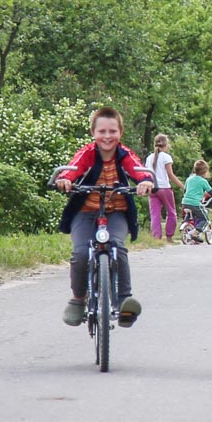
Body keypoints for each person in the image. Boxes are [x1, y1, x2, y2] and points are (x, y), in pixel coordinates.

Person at [54, 107, 155, 327]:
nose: (107, 136)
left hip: (116, 212)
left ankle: (124, 301)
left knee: (117, 247)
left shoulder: (124, 154)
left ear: (120, 132)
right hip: (86, 212)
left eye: (112, 131)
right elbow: (72, 168)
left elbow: (138, 169)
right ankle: (78, 299)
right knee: (81, 253)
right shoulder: (87, 153)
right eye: (102, 131)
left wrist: (146, 180)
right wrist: (65, 179)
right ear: (93, 133)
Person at [147, 133, 182, 243]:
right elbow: (170, 175)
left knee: (155, 215)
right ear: (166, 145)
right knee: (171, 212)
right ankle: (169, 237)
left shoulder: (149, 158)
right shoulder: (166, 157)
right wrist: (182, 186)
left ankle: (156, 238)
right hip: (165, 188)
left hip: (152, 188)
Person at [181, 159, 212, 237]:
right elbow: (211, 191)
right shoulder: (203, 181)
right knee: (205, 220)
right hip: (195, 204)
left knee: (191, 214)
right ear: (205, 171)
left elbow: (185, 190)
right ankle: (195, 234)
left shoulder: (189, 179)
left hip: (185, 202)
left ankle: (185, 223)